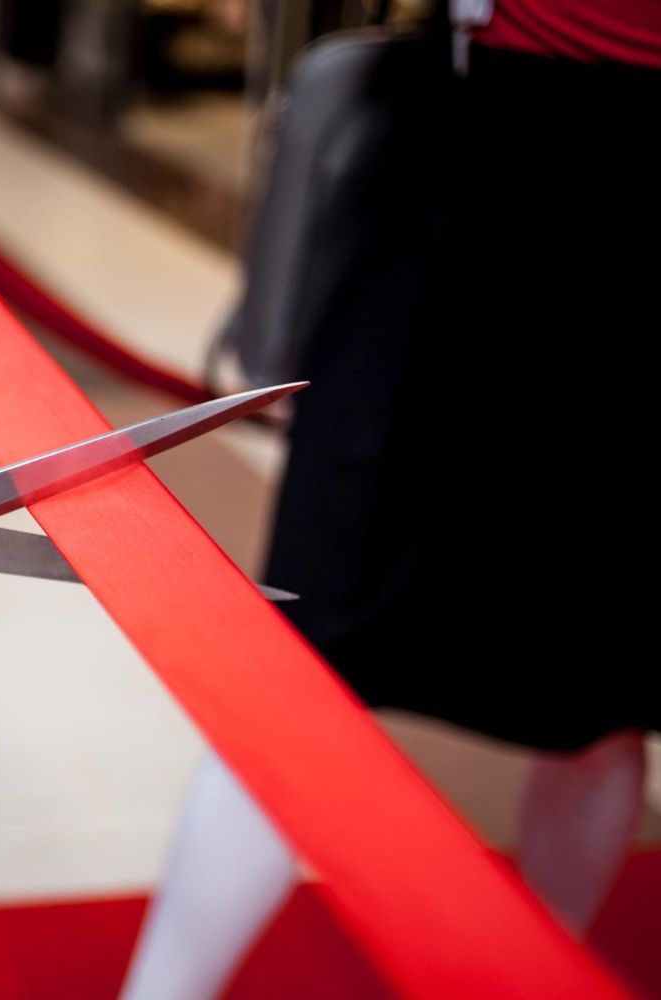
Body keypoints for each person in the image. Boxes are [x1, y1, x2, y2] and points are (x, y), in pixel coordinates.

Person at [120, 3, 661, 997]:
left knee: (601, 693)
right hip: (467, 158)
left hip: (609, 192)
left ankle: (539, 976)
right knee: (305, 657)